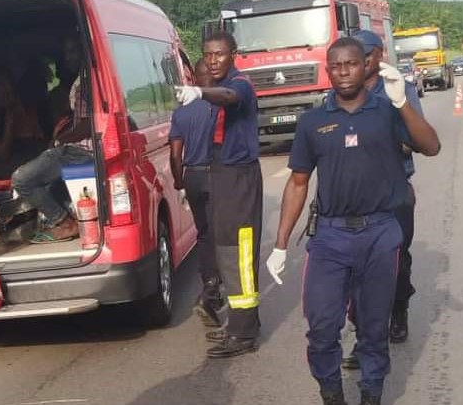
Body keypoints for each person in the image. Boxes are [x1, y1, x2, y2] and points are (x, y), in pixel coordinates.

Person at [266, 37, 439, 405]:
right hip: (330, 237)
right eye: (337, 66)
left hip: (380, 233)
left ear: (367, 66)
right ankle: (332, 394)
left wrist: (402, 102)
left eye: (352, 64)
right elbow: (298, 184)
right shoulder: (314, 122)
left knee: (374, 330)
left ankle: (371, 394)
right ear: (328, 71)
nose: (344, 71)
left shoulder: (387, 112)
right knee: (323, 329)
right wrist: (281, 244)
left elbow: (431, 146)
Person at [341, 30, 426, 370]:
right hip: (357, 194)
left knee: (397, 259)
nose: (357, 62)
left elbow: (417, 138)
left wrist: (379, 141)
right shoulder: (348, 91)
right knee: (357, 268)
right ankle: (364, 340)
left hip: (393, 190)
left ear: (378, 55)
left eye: (363, 54)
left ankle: (399, 309)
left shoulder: (398, 87)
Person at [175, 32, 263, 358]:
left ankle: (242, 334)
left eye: (219, 55)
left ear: (234, 55)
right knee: (226, 249)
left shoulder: (238, 84)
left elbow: (228, 96)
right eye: (208, 55)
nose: (212, 61)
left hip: (238, 177)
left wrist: (200, 91)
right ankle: (245, 324)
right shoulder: (217, 87)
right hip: (221, 175)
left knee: (237, 252)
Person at [11, 34, 93, 243]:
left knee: (22, 179)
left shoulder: (85, 81)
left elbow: (86, 126)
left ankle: (64, 222)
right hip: (84, 150)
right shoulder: (89, 79)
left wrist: (59, 141)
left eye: (72, 51)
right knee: (49, 183)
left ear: (84, 52)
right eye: (66, 52)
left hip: (79, 150)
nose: (67, 58)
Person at [170, 58, 225, 328]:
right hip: (217, 174)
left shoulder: (181, 113)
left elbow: (175, 154)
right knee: (222, 234)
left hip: (192, 176)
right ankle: (214, 290)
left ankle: (209, 284)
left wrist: (180, 184)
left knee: (203, 235)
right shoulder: (219, 108)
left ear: (193, 80)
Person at [0, 68, 49, 180]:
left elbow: (38, 137)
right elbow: (3, 152)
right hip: (9, 166)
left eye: (7, 85)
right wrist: (9, 118)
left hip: (32, 158)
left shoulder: (27, 109)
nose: (4, 90)